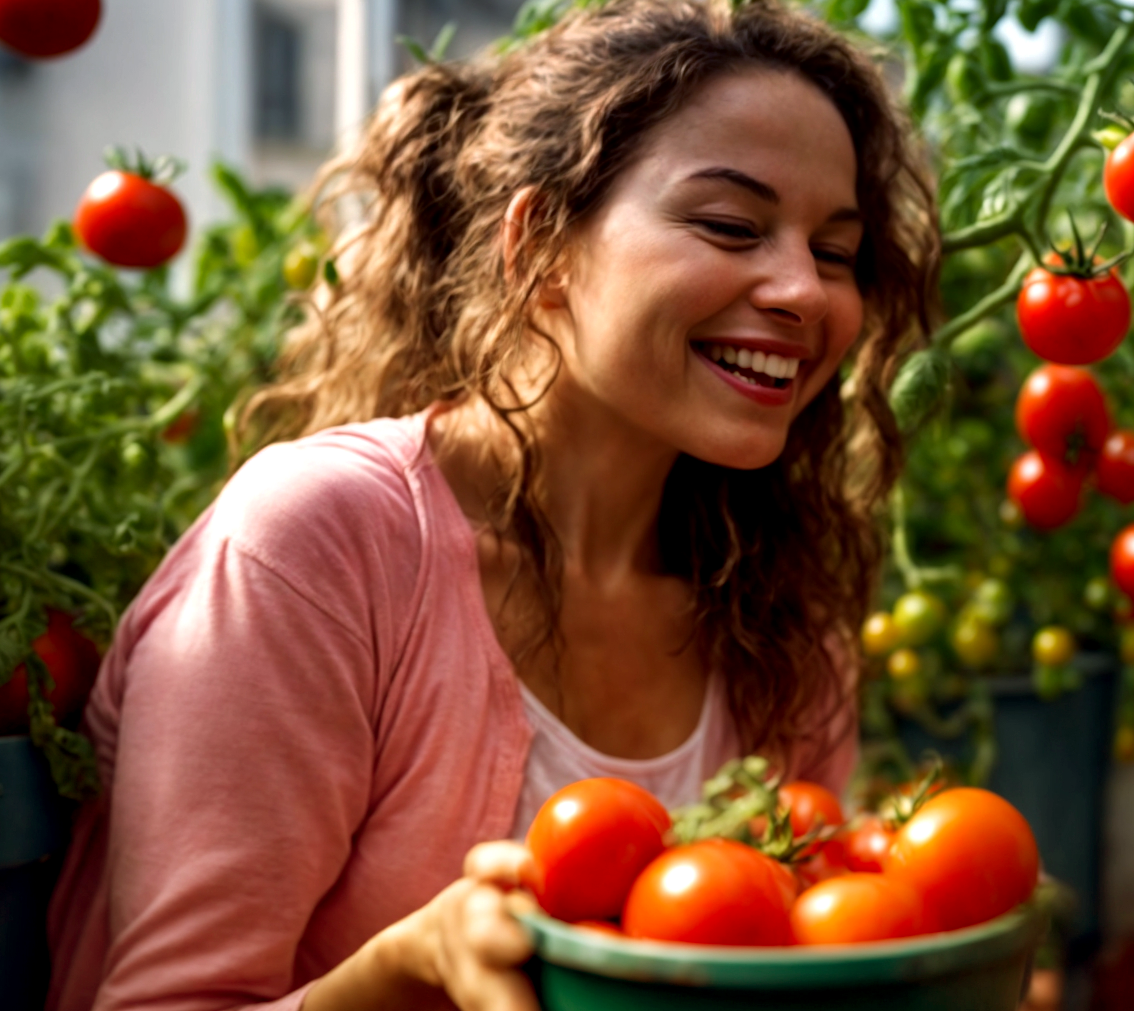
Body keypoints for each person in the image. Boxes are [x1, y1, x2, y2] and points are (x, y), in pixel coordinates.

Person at [45, 0, 938, 1007]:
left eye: (835, 251)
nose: (805, 293)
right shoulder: (317, 546)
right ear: (541, 244)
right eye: (731, 225)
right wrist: (404, 970)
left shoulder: (786, 616)